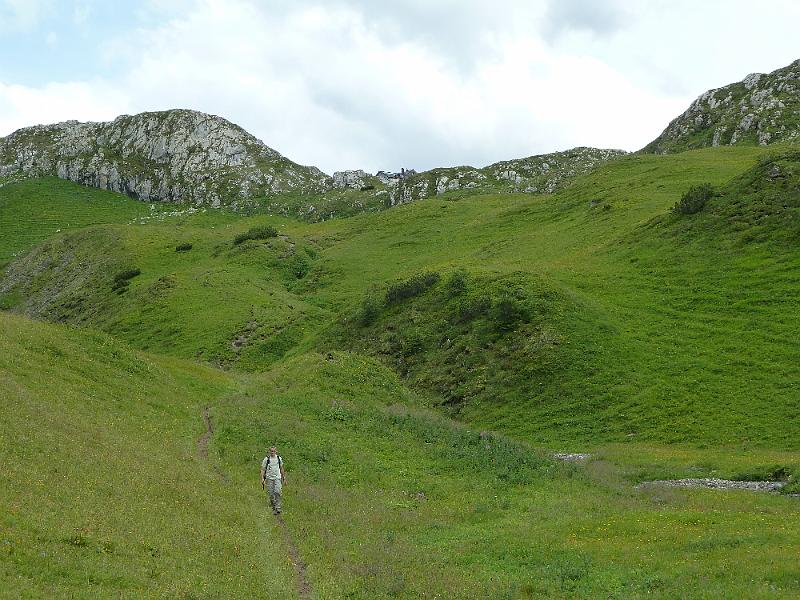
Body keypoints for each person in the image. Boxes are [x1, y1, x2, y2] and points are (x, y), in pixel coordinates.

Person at [260, 446, 286, 515]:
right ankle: (273, 506)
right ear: (269, 452)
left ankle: (278, 507)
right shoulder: (266, 459)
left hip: (277, 478)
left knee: (277, 491)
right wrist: (262, 478)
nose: (272, 452)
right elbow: (263, 469)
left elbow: (281, 468)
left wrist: (284, 478)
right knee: (271, 494)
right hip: (269, 478)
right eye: (271, 451)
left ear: (276, 451)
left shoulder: (279, 458)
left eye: (274, 451)